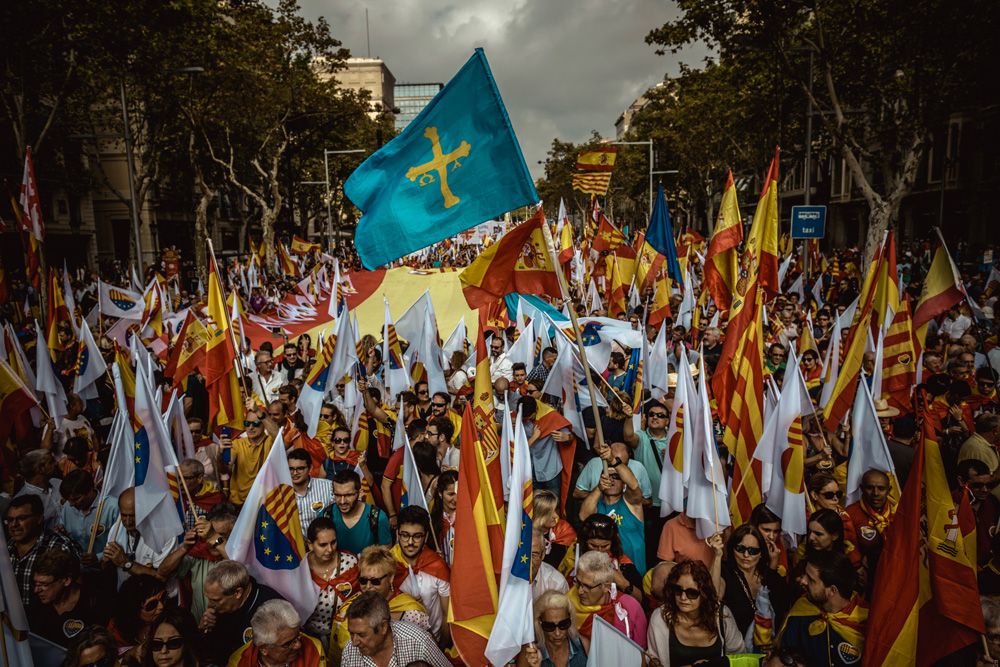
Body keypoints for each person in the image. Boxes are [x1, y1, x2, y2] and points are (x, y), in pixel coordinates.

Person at [646, 559, 745, 665]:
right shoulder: (660, 617)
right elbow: (652, 660)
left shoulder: (722, 615)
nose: (683, 598)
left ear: (704, 594)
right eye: (678, 590)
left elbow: (739, 658)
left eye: (692, 593)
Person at [778, 551, 868, 666]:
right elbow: (784, 655)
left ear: (832, 590)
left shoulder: (867, 621)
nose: (802, 581)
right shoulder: (801, 612)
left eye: (811, 580)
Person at [331, 545, 431, 650]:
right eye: (363, 581)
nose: (368, 587)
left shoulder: (412, 613)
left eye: (375, 581)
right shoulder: (349, 607)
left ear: (391, 578)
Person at [158, 504, 237, 622]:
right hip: (198, 626)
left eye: (222, 535)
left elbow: (239, 569)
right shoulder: (198, 553)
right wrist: (184, 548)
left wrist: (213, 537)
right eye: (211, 532)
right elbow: (162, 572)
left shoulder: (241, 555)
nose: (212, 542)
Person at [578, 442, 646, 574]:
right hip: (603, 574)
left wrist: (612, 460)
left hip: (633, 573)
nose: (612, 481)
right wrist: (599, 488)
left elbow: (633, 485)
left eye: (617, 477)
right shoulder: (596, 504)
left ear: (623, 483)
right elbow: (583, 516)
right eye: (608, 477)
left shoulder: (631, 503)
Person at [199, 560, 283, 665]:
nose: (210, 605)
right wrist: (203, 631)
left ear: (237, 593)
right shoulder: (220, 609)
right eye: (209, 598)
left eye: (215, 600)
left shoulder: (273, 609)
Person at [5, 494, 79, 609]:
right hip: (11, 623)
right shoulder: (6, 549)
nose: (14, 524)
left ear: (39, 518)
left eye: (22, 518)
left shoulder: (59, 547)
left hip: (48, 622)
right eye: (10, 520)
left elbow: (75, 591)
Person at [339, 591, 450, 667]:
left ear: (383, 627)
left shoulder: (419, 642)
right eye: (351, 634)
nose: (354, 642)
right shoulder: (349, 651)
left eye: (361, 634)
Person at [391, 506, 451, 641]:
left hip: (433, 639)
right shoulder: (388, 565)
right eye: (405, 535)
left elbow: (447, 614)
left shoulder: (438, 566)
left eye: (417, 536)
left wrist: (442, 647)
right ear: (397, 534)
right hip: (399, 642)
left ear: (426, 536)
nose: (410, 542)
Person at [27, 549, 109, 647]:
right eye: (35, 584)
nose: (36, 590)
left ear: (66, 580)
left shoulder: (93, 603)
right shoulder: (36, 605)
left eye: (44, 584)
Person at [719, 525, 790, 638]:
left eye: (753, 551)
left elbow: (784, 612)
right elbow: (715, 597)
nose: (746, 555)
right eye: (740, 549)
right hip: (737, 648)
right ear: (732, 549)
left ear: (761, 553)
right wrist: (717, 556)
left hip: (770, 647)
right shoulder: (724, 571)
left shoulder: (770, 575)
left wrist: (777, 641)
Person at [103, 487, 178, 590]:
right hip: (127, 596)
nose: (128, 521)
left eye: (133, 516)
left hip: (157, 599)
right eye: (124, 515)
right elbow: (107, 567)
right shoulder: (116, 529)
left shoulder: (165, 534)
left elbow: (160, 577)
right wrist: (106, 562)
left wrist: (126, 563)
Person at [567, 550, 647, 647]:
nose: (579, 591)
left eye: (587, 586)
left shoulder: (630, 607)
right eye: (578, 583)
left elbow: (640, 653)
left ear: (606, 586)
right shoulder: (566, 604)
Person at [304, 516, 359, 639]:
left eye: (333, 542)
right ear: (310, 545)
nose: (330, 549)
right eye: (323, 545)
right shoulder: (301, 569)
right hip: (311, 636)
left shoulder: (350, 563)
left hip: (346, 634)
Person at [228, 599, 326, 667]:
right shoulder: (238, 662)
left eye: (298, 636)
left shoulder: (313, 648)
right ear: (264, 649)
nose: (298, 645)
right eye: (288, 643)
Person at [320, 469, 392, 556]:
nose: (342, 501)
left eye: (348, 495)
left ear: (359, 492)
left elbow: (385, 554)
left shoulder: (378, 517)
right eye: (338, 495)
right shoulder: (326, 515)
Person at [575, 514, 643, 601]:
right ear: (584, 543)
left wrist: (623, 583)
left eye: (605, 546)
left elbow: (641, 600)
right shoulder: (574, 557)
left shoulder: (623, 564)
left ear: (613, 544)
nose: (599, 551)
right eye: (593, 545)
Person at [58, 467, 119, 557]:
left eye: (76, 499)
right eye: (69, 500)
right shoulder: (67, 507)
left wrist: (98, 557)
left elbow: (120, 542)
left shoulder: (112, 507)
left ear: (90, 490)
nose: (71, 504)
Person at [109, 574, 167, 663]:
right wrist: (130, 654)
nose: (161, 606)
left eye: (163, 598)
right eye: (152, 604)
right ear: (134, 608)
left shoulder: (170, 619)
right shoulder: (115, 630)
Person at [225, 408, 276, 506]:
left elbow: (277, 435)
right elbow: (226, 467)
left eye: (256, 423)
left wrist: (258, 411)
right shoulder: (237, 444)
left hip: (263, 503)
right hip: (239, 503)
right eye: (247, 424)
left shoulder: (269, 442)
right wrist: (221, 453)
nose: (251, 427)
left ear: (264, 425)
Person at [844, 468, 896, 558]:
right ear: (862, 489)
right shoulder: (850, 514)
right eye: (869, 488)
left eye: (881, 488)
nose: (875, 493)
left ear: (889, 490)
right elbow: (850, 547)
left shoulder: (898, 511)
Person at [529, 590, 587, 667]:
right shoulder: (530, 652)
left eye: (563, 624)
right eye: (549, 626)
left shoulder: (584, 646)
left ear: (570, 619)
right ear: (539, 622)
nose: (557, 633)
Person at [289, 447, 332, 535]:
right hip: (293, 547)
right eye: (291, 469)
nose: (295, 473)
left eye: (300, 468)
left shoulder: (328, 487)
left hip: (322, 545)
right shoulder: (282, 493)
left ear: (310, 468)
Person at [15, 449, 62, 528]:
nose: (56, 463)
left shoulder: (58, 483)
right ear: (41, 468)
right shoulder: (22, 501)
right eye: (51, 462)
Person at [429, 469, 458, 564]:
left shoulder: (469, 518)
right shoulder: (432, 520)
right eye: (451, 494)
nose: (456, 499)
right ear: (440, 493)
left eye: (459, 493)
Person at [530, 531, 569, 601]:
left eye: (534, 554)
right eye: (523, 555)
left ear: (543, 555)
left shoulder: (556, 584)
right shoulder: (505, 575)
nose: (528, 561)